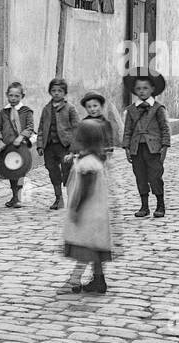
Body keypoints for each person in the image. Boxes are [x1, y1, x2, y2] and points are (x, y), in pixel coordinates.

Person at [57, 118, 113, 295]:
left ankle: (74, 280)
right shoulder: (92, 159)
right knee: (95, 246)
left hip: (88, 212)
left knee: (84, 248)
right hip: (97, 212)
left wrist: (77, 208)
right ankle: (99, 280)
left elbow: (86, 189)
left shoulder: (88, 163)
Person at [121, 72, 171, 218]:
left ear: (152, 90)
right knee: (140, 176)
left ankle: (160, 205)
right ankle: (144, 206)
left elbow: (165, 129)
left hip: (154, 149)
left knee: (155, 176)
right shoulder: (131, 110)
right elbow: (127, 130)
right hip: (137, 149)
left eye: (145, 88)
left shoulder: (158, 109)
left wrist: (165, 146)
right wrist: (127, 148)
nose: (142, 91)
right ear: (135, 91)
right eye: (139, 88)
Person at [36, 78, 79, 210]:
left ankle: (72, 198)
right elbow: (41, 127)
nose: (56, 93)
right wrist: (39, 145)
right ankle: (58, 198)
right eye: (53, 90)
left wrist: (74, 147)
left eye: (59, 91)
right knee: (52, 170)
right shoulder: (46, 109)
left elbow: (77, 128)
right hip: (49, 146)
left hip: (64, 146)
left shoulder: (70, 108)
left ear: (64, 93)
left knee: (68, 171)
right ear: (50, 92)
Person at [0, 82, 36, 208]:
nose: (13, 98)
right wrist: (0, 140)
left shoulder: (26, 111)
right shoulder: (4, 112)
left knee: (20, 172)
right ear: (7, 95)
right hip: (8, 147)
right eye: (11, 96)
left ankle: (18, 198)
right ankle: (14, 196)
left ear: (22, 96)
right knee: (11, 172)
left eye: (16, 96)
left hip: (21, 147)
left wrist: (21, 136)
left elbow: (30, 127)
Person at [76, 91, 118, 155]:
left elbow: (109, 140)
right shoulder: (84, 123)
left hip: (102, 154)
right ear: (86, 108)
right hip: (87, 154)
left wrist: (109, 151)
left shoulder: (105, 123)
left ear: (101, 106)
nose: (92, 109)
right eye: (89, 107)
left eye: (95, 106)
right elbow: (79, 139)